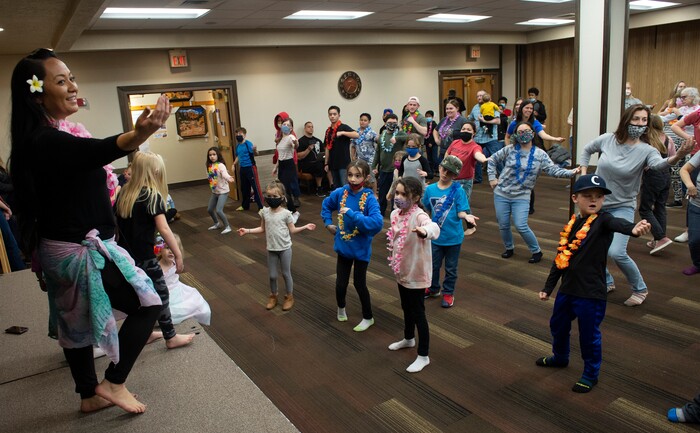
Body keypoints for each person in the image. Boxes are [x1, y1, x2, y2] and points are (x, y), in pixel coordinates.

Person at [10, 48, 166, 413]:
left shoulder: (54, 134)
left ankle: (89, 396)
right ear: (37, 92)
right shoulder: (44, 140)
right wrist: (137, 134)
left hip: (62, 247)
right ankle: (114, 382)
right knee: (148, 304)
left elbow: (84, 157)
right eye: (60, 80)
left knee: (75, 322)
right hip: (78, 251)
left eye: (72, 78)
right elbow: (92, 153)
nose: (71, 86)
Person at [537, 174, 651, 394]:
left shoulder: (603, 221)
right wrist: (548, 287)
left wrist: (633, 229)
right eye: (587, 195)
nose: (593, 200)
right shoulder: (572, 225)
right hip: (567, 289)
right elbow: (561, 258)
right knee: (557, 327)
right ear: (574, 198)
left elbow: (618, 223)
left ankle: (590, 374)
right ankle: (560, 357)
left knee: (589, 336)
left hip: (591, 294)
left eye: (598, 197)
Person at [580, 104, 692, 306]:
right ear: (626, 120)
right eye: (636, 119)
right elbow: (587, 150)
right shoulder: (607, 139)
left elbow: (659, 165)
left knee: (616, 252)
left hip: (623, 205)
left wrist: (678, 156)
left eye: (644, 120)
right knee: (591, 245)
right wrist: (583, 175)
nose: (639, 124)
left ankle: (640, 289)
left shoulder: (646, 149)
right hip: (598, 203)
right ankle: (606, 280)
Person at [115, 151, 195, 349]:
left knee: (140, 297)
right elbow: (164, 228)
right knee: (161, 295)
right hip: (145, 258)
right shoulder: (152, 196)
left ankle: (147, 332)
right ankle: (170, 337)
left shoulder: (124, 192)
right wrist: (178, 254)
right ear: (155, 171)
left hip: (126, 257)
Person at [488, 122, 580, 263]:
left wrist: (572, 172)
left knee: (521, 225)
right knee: (504, 224)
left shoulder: (540, 154)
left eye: (526, 130)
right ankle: (509, 248)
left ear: (532, 132)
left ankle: (536, 251)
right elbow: (492, 160)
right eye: (520, 131)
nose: (523, 133)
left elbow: (553, 170)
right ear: (516, 135)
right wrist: (492, 178)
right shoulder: (510, 149)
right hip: (501, 193)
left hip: (522, 196)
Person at [321, 160, 383, 331]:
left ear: (366, 177)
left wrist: (354, 215)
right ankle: (341, 307)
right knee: (340, 283)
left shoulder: (369, 198)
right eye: (350, 175)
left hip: (361, 248)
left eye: (358, 175)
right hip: (344, 246)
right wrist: (328, 223)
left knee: (359, 284)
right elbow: (326, 205)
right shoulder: (342, 192)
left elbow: (377, 224)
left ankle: (368, 316)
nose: (353, 179)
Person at [387, 177, 440, 373]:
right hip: (402, 269)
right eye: (397, 193)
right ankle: (408, 338)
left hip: (417, 272)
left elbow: (434, 227)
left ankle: (423, 355)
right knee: (405, 307)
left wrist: (425, 231)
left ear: (416, 197)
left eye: (404, 194)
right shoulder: (395, 214)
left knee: (418, 313)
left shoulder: (418, 215)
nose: (398, 197)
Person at [238, 180, 316, 311]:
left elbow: (293, 230)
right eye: (269, 196)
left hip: (285, 249)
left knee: (286, 274)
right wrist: (247, 230)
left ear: (282, 197)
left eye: (275, 196)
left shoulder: (286, 214)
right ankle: (273, 295)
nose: (271, 199)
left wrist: (305, 226)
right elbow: (262, 228)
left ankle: (289, 296)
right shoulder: (264, 212)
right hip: (271, 249)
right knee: (272, 275)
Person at [423, 155, 478, 308]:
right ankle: (433, 288)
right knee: (433, 265)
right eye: (444, 169)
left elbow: (461, 211)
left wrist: (467, 216)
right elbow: (427, 209)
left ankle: (448, 292)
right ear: (439, 167)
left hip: (453, 237)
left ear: (455, 175)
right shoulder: (430, 189)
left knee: (451, 268)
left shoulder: (458, 191)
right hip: (435, 237)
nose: (445, 174)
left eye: (450, 172)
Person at [155, 233, 211, 325]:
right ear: (160, 249)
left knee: (197, 304)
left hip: (178, 290)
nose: (171, 251)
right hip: (165, 293)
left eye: (174, 249)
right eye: (167, 248)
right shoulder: (157, 267)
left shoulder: (175, 262)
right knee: (170, 312)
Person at [639, 114, 676, 255]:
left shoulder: (646, 140)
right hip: (666, 175)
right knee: (660, 207)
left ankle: (661, 237)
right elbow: (673, 157)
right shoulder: (668, 139)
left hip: (652, 177)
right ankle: (659, 238)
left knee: (645, 209)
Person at [671, 90, 700, 243]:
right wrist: (691, 138)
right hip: (697, 157)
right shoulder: (697, 113)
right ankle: (689, 230)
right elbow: (676, 126)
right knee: (693, 194)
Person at [373, 114, 408, 217]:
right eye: (389, 123)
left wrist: (396, 137)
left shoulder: (399, 134)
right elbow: (377, 152)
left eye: (394, 123)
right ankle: (380, 214)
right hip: (384, 170)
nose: (392, 125)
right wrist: (373, 166)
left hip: (396, 170)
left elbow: (408, 137)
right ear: (385, 123)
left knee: (395, 194)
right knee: (383, 194)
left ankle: (395, 215)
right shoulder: (382, 135)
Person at [444, 121, 488, 202]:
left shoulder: (475, 147)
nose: (465, 131)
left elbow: (478, 154)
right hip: (450, 178)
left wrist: (484, 159)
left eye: (469, 130)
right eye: (463, 129)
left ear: (474, 133)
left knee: (462, 205)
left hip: (464, 181)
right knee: (448, 203)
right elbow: (447, 153)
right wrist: (445, 167)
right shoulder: (455, 142)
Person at [467, 90, 501, 184]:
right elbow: (470, 119)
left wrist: (485, 121)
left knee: (497, 157)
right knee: (476, 158)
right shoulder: (475, 108)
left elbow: (498, 121)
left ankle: (503, 177)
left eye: (481, 95)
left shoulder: (492, 106)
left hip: (491, 137)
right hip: (478, 137)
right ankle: (478, 178)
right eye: (478, 96)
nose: (479, 97)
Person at [272, 118, 301, 223]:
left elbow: (296, 146)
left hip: (289, 165)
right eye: (284, 124)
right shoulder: (280, 139)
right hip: (282, 166)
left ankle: (294, 212)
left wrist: (296, 143)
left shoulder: (290, 137)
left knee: (286, 191)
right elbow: (280, 156)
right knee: (282, 190)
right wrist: (275, 167)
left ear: (291, 128)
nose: (285, 126)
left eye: (288, 125)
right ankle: (289, 212)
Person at [324, 105, 359, 188]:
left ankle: (347, 201)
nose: (332, 116)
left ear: (339, 115)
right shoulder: (328, 131)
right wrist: (326, 163)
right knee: (336, 187)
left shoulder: (343, 127)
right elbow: (327, 147)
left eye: (334, 114)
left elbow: (356, 134)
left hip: (343, 163)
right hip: (333, 163)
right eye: (330, 114)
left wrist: (343, 133)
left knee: (345, 186)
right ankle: (339, 201)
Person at [233, 126, 263, 212]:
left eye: (240, 134)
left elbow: (256, 153)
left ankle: (261, 207)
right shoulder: (238, 145)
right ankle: (245, 206)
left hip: (251, 168)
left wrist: (255, 149)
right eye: (237, 134)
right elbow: (238, 156)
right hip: (242, 168)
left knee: (255, 187)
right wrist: (234, 164)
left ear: (245, 135)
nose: (238, 135)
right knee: (244, 188)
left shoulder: (248, 144)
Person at [205, 146, 234, 234]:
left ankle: (227, 226)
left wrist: (229, 178)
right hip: (215, 191)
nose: (212, 156)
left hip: (223, 191)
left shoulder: (221, 165)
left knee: (218, 210)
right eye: (210, 155)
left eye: (214, 154)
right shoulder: (209, 165)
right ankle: (217, 223)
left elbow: (224, 174)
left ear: (218, 155)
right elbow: (209, 176)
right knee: (209, 209)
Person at [297, 121, 331, 197]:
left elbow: (323, 153)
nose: (311, 128)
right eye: (309, 127)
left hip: (317, 162)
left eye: (312, 127)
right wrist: (308, 149)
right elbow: (299, 156)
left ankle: (331, 187)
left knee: (327, 164)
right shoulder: (300, 141)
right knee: (318, 165)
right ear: (305, 129)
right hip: (305, 164)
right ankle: (319, 189)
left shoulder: (317, 140)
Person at [680, 151, 700, 276]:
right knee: (694, 240)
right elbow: (684, 170)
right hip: (697, 205)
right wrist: (690, 185)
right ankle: (698, 264)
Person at [434, 99, 469, 168]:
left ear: (457, 109)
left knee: (453, 175)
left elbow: (468, 134)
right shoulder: (444, 120)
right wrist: (436, 140)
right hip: (443, 152)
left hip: (456, 153)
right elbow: (435, 130)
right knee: (443, 172)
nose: (448, 110)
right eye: (447, 109)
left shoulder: (462, 120)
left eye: (451, 108)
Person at [351, 112, 378, 195]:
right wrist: (352, 157)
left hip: (370, 159)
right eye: (361, 120)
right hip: (359, 160)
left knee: (371, 178)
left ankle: (374, 194)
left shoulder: (372, 133)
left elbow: (378, 143)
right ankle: (361, 193)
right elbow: (353, 146)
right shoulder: (356, 133)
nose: (363, 122)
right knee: (360, 177)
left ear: (369, 122)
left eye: (365, 120)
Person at [423, 110, 439, 174]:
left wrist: (431, 143)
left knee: (435, 158)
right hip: (427, 144)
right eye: (426, 116)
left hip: (433, 144)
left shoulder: (435, 124)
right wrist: (426, 143)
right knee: (429, 158)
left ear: (432, 117)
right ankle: (431, 171)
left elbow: (434, 134)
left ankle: (437, 170)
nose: (427, 117)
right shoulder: (424, 124)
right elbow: (425, 134)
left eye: (429, 116)